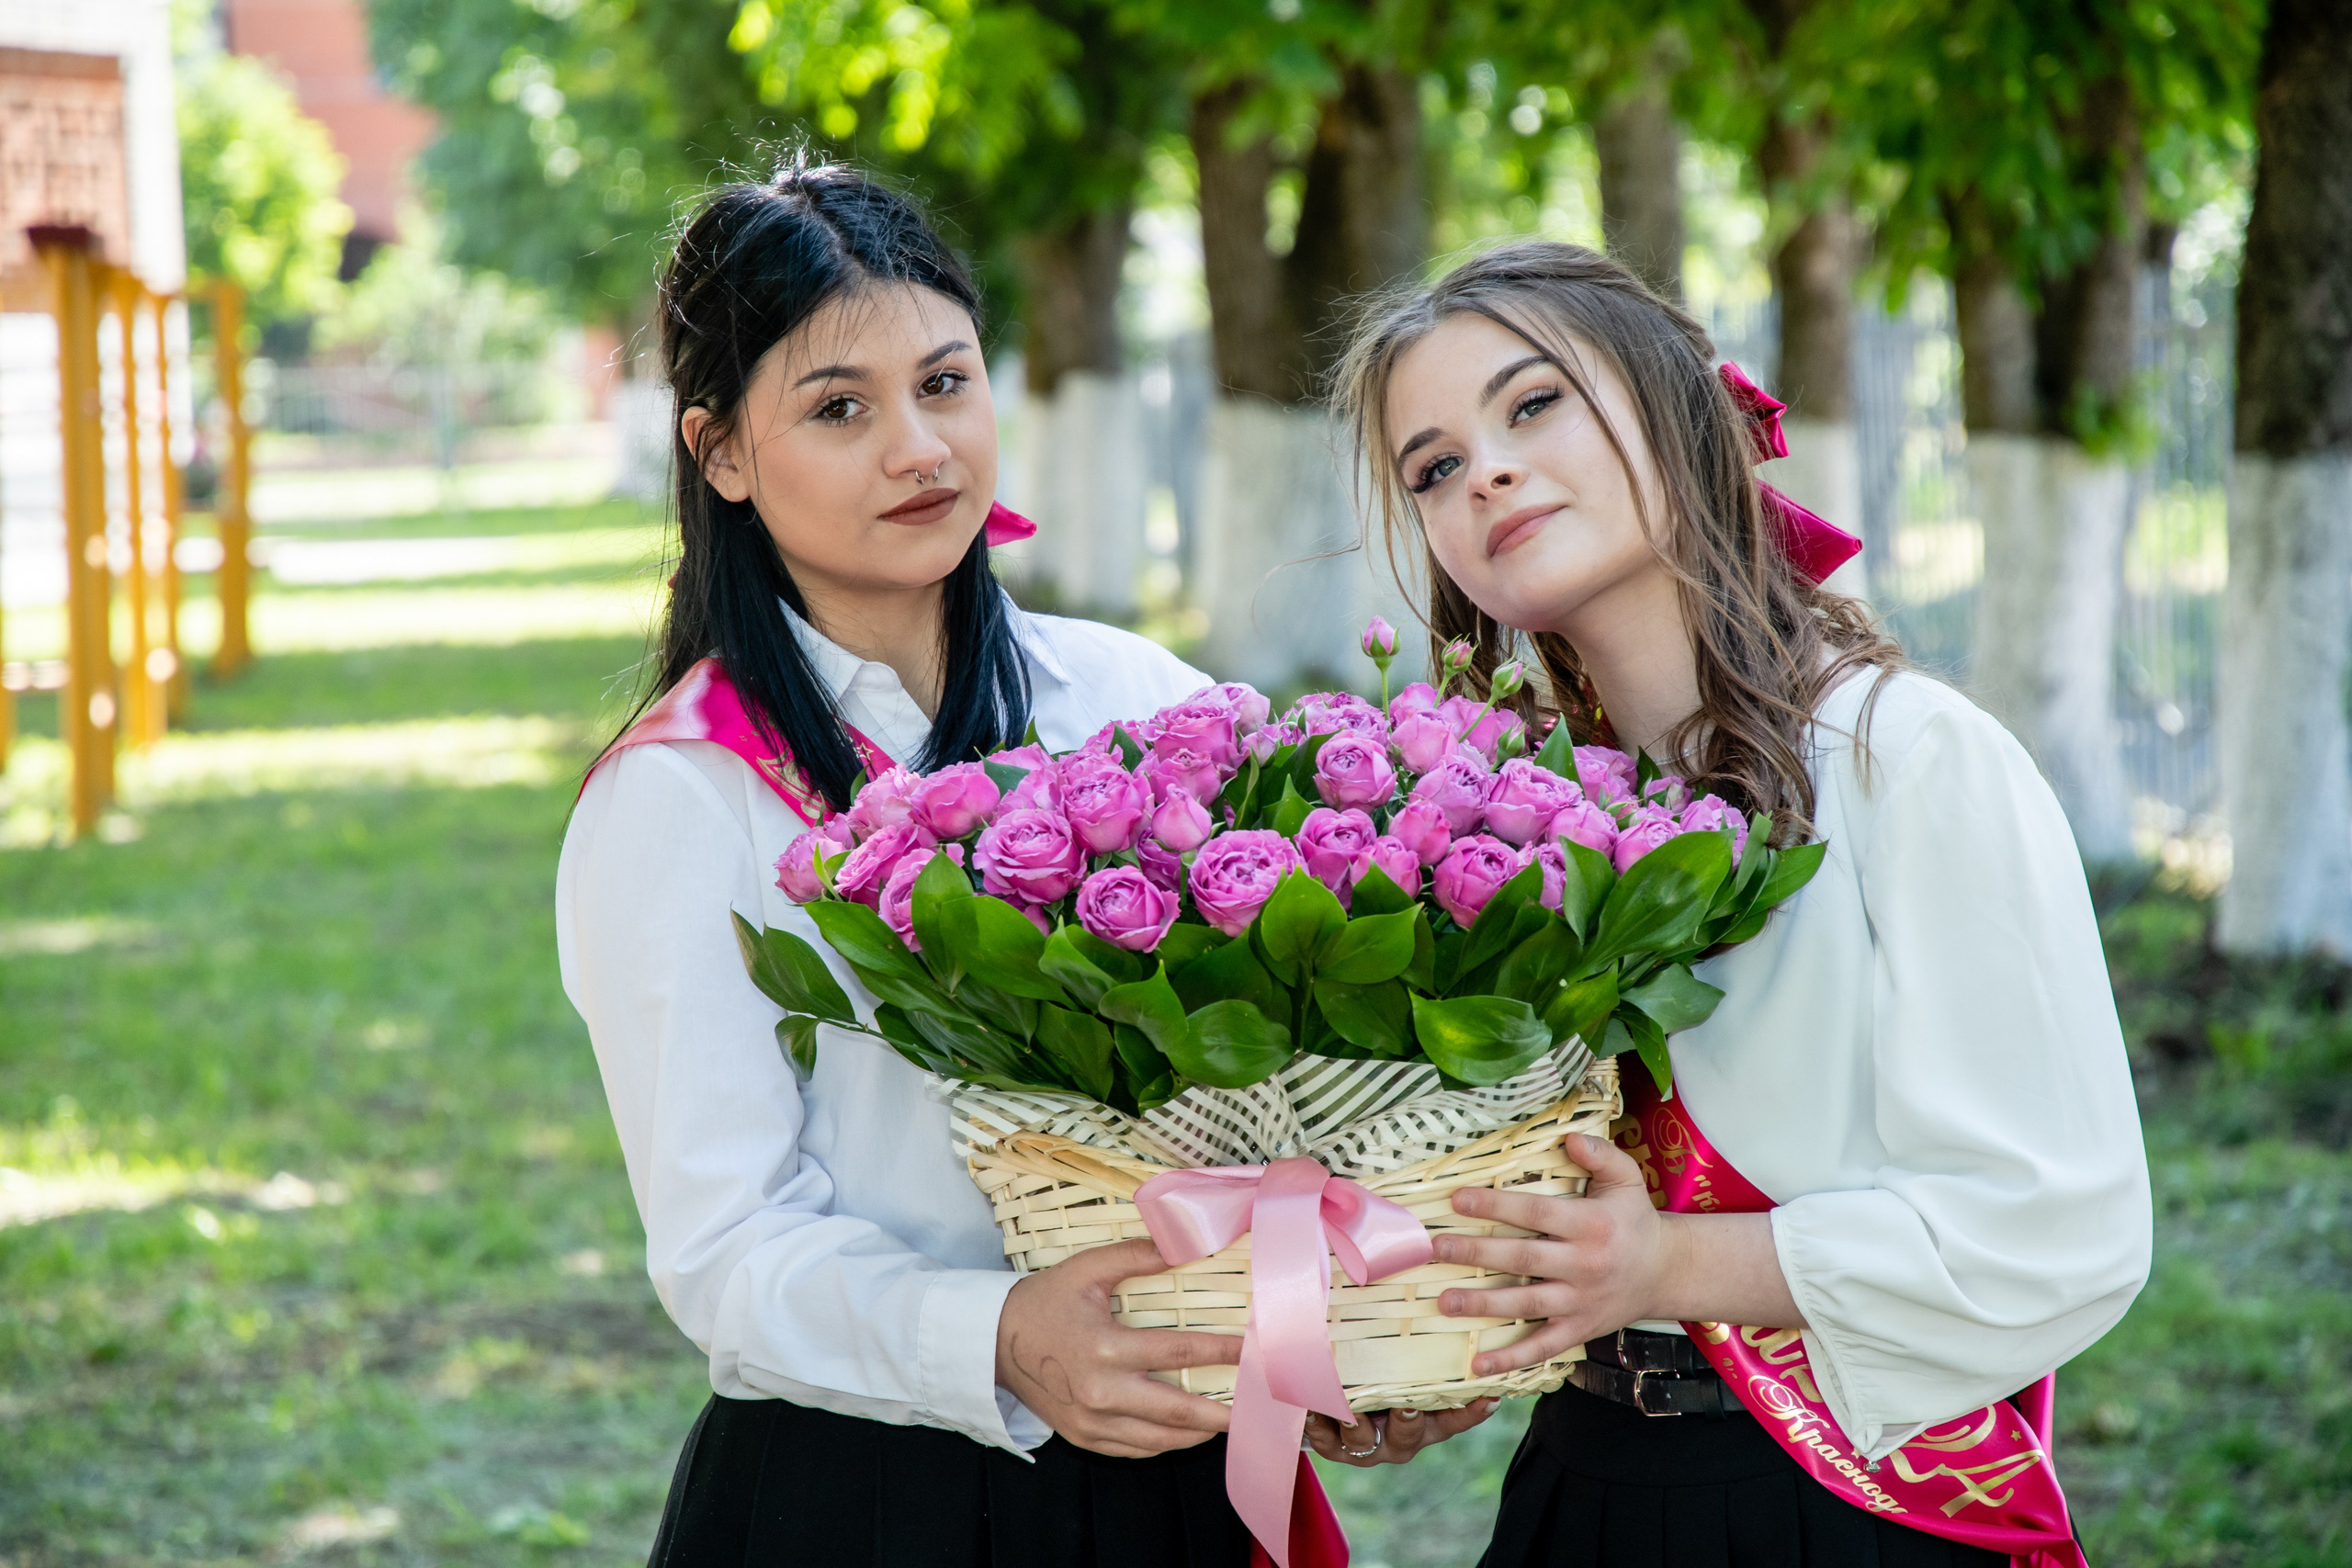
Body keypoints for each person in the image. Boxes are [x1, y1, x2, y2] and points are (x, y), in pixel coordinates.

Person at [1309, 240, 2152, 1565]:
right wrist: (1444, 1355)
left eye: (1533, 405)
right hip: (1579, 1492)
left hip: (1837, 1508)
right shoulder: (1485, 827)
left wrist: (1661, 1271)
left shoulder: (1904, 756)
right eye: (1434, 468)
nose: (1487, 472)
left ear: (1679, 408)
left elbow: (2057, 1225)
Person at [559, 159, 1317, 1567]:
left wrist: (1314, 1313)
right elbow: (727, 1252)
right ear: (720, 451)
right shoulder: (682, 797)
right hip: (869, 1493)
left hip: (1177, 1463)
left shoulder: (1144, 702)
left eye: (948, 383)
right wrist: (999, 1338)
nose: (920, 447)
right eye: (839, 408)